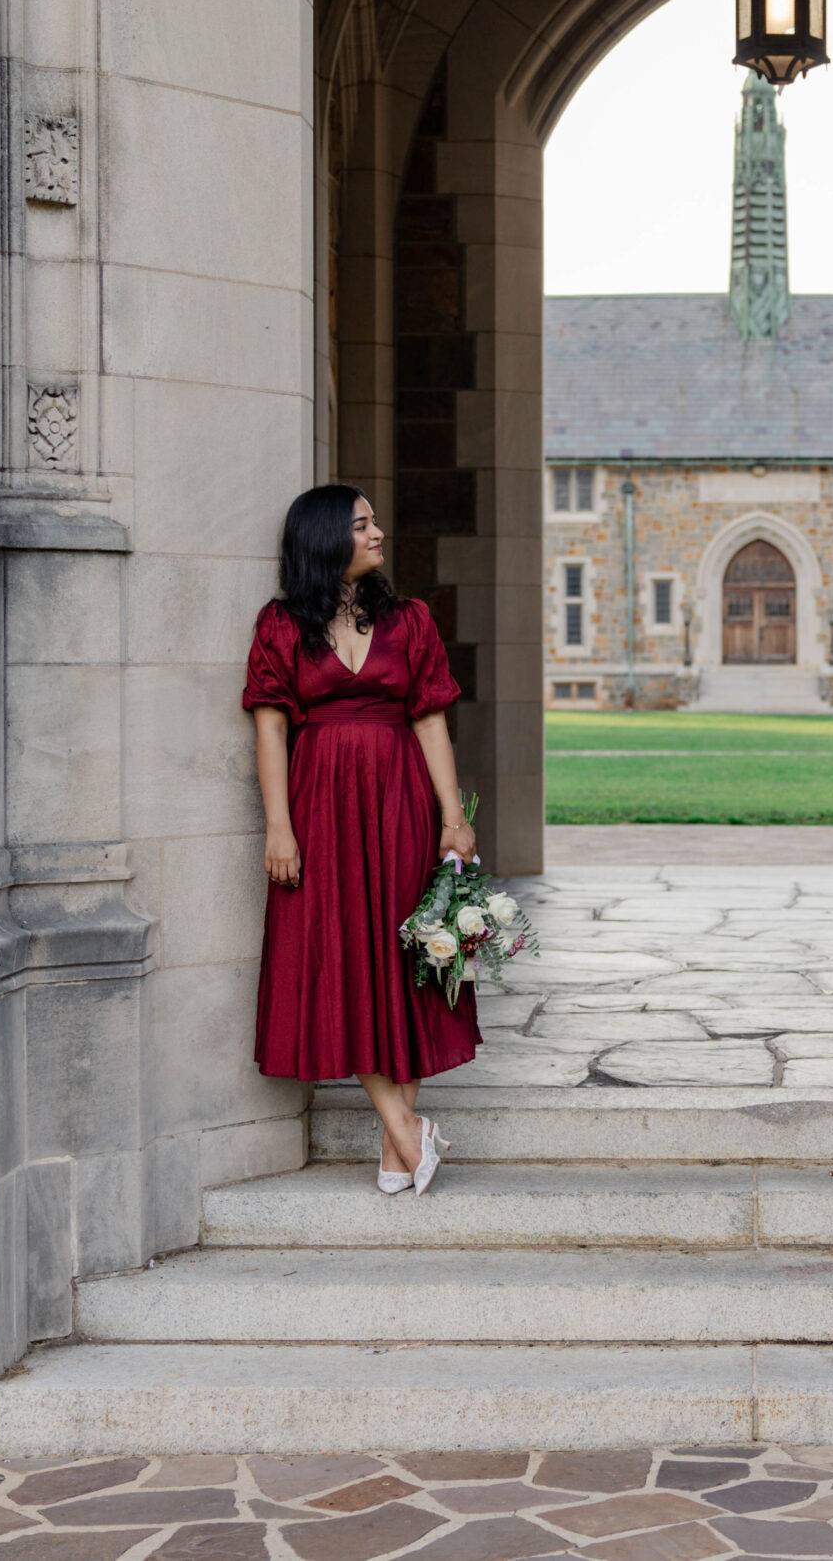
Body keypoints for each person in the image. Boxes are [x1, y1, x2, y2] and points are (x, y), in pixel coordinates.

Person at [243, 484, 481, 1195]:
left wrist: (452, 814)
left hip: (399, 801)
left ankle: (394, 1143)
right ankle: (409, 1130)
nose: (378, 533)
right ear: (325, 539)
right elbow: (269, 730)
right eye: (362, 523)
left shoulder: (409, 618)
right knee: (342, 956)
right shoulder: (281, 625)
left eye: (376, 520)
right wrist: (278, 826)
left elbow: (430, 719)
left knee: (400, 957)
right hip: (320, 808)